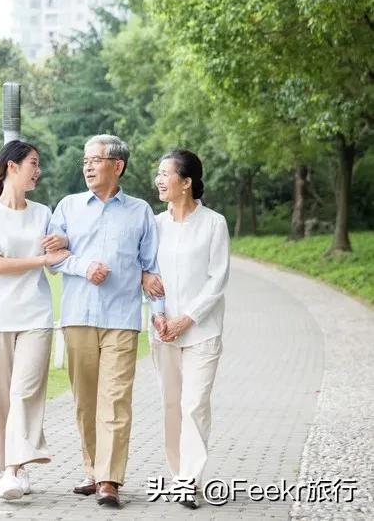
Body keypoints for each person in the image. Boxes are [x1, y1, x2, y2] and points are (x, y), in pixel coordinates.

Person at [48, 134, 161, 507]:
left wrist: (150, 289)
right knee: (85, 401)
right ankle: (94, 470)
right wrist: (84, 266)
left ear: (118, 165)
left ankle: (110, 480)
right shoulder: (67, 207)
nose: (88, 167)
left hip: (122, 318)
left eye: (95, 160)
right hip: (78, 315)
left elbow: (152, 265)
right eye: (85, 161)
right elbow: (53, 254)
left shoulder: (141, 211)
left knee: (114, 400)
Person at [0, 140, 70, 500]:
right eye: (33, 163)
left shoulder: (43, 212)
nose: (38, 170)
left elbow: (57, 261)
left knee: (24, 393)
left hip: (36, 316)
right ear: (12, 166)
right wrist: (41, 260)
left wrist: (63, 245)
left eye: (38, 164)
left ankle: (12, 471)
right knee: (1, 399)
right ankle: (16, 468)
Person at [148, 150, 230, 509]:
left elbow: (217, 280)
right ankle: (180, 473)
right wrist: (159, 315)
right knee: (171, 405)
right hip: (163, 331)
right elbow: (149, 276)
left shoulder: (214, 223)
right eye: (159, 174)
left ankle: (187, 480)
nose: (160, 180)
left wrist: (188, 318)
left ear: (187, 183)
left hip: (202, 331)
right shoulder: (154, 224)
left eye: (167, 174)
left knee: (194, 404)